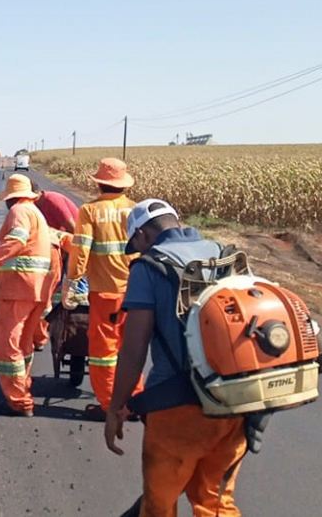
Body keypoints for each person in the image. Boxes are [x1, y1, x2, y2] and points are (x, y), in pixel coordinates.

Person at [105, 199, 246, 516]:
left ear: (142, 235)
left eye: (136, 244)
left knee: (160, 504)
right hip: (234, 402)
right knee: (216, 503)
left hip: (178, 409)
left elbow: (134, 348)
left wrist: (116, 407)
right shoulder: (223, 253)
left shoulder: (148, 266)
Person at [63, 158, 143, 421]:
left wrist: (73, 279)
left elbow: (81, 248)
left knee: (103, 353)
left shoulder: (90, 211)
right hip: (136, 292)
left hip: (105, 293)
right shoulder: (135, 210)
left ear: (98, 183)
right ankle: (135, 401)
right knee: (131, 348)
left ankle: (111, 405)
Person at [0, 174, 53, 417]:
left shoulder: (20, 212)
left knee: (6, 344)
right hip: (35, 289)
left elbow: (16, 240)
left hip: (18, 286)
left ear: (11, 198)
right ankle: (22, 390)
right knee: (24, 344)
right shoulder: (37, 213)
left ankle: (16, 400)